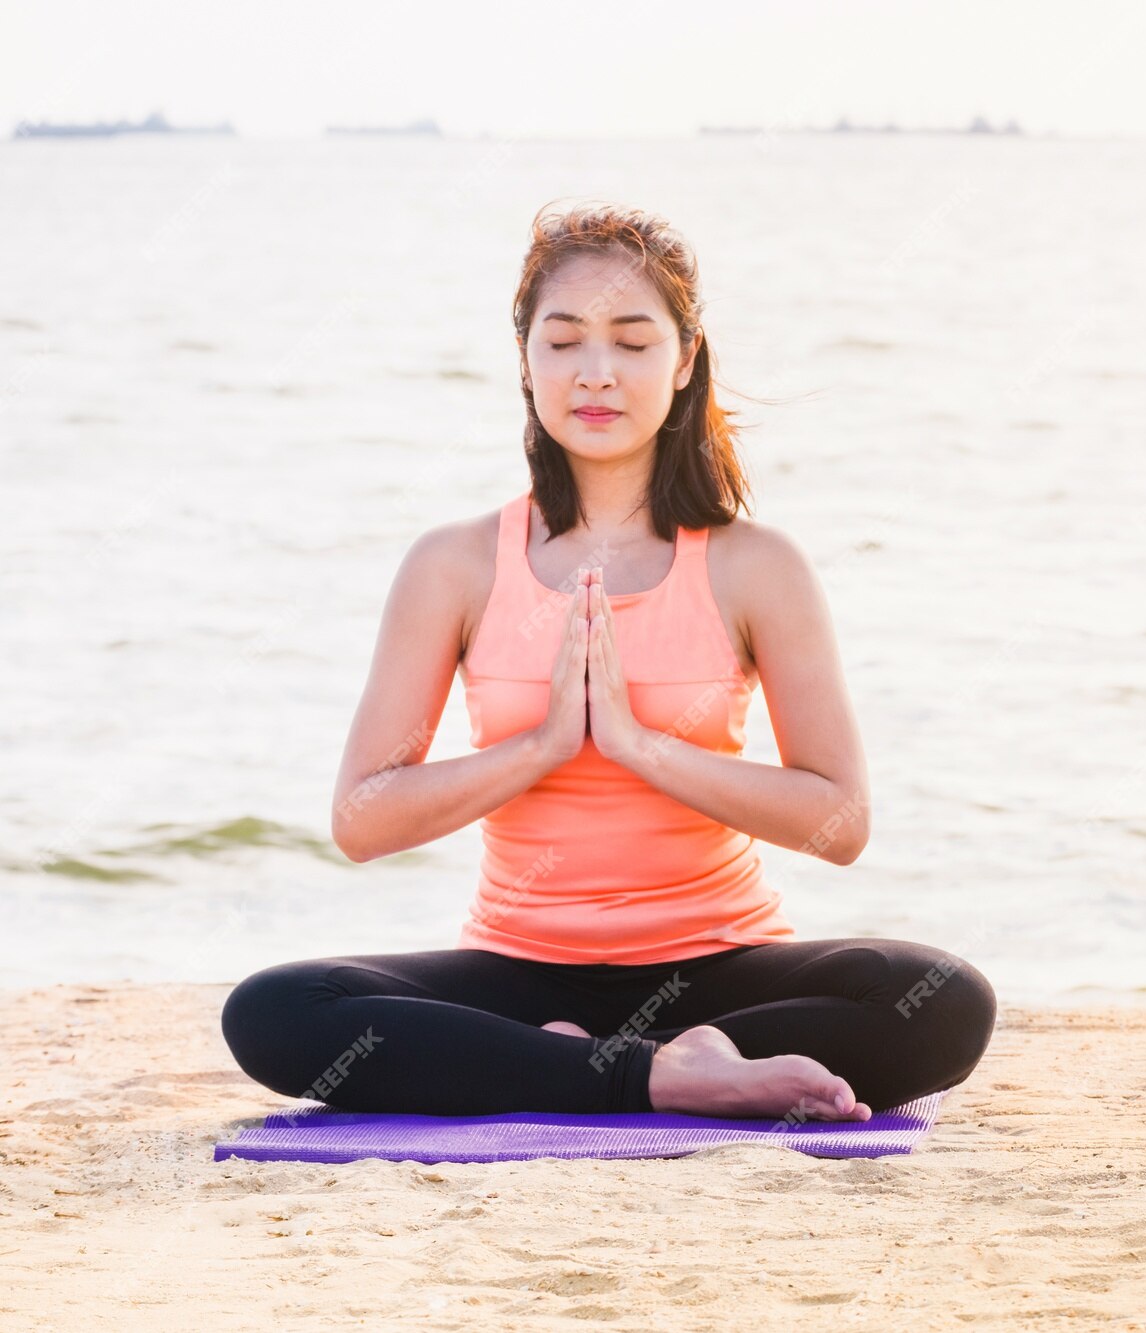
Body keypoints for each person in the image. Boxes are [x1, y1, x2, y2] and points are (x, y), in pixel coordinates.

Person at [220, 201, 996, 1121]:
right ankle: (663, 1074)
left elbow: (841, 822)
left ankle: (592, 1067)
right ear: (525, 360)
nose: (597, 373)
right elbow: (361, 822)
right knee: (275, 1012)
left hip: (724, 973)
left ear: (684, 359)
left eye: (633, 342)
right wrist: (544, 746)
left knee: (946, 999)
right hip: (516, 975)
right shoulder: (456, 564)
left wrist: (638, 745)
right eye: (564, 341)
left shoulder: (756, 566)